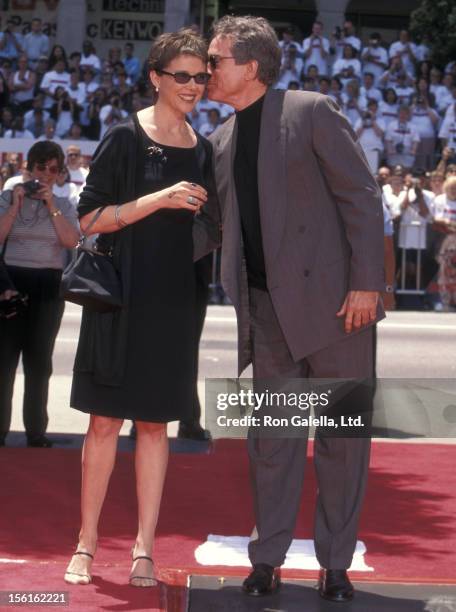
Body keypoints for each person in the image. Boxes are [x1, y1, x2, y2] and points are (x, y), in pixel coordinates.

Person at [205, 15, 384, 603]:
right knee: (273, 446)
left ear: (250, 67)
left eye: (216, 60)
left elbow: (360, 193)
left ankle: (337, 565)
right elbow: (211, 228)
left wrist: (366, 284)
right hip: (267, 316)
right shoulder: (221, 139)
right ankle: (267, 561)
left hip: (339, 310)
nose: (208, 71)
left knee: (341, 441)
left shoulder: (310, 110)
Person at [65, 28, 218, 587]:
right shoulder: (123, 138)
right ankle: (85, 543)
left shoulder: (204, 149)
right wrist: (160, 199)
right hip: (118, 299)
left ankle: (144, 549)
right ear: (155, 77)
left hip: (176, 303)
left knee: (156, 428)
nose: (194, 86)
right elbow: (87, 220)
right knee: (104, 423)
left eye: (201, 76)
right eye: (182, 75)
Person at [0, 141, 80, 448]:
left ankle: (36, 431)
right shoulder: (8, 197)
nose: (45, 175)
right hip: (10, 284)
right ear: (27, 169)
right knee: (4, 361)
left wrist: (52, 206)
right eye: (40, 168)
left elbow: (71, 241)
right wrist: (15, 206)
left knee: (39, 362)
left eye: (53, 170)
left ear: (59, 174)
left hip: (47, 285)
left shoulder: (64, 203)